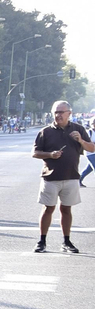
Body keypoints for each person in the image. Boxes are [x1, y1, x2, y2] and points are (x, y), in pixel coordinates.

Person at [33, 101, 92, 253]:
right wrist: (50, 155)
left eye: (61, 112)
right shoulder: (46, 131)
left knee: (66, 209)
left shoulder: (78, 129)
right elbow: (35, 153)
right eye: (56, 112)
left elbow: (92, 148)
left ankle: (66, 241)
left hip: (71, 176)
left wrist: (80, 140)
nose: (58, 115)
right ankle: (42, 241)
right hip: (50, 177)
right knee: (48, 208)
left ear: (69, 113)